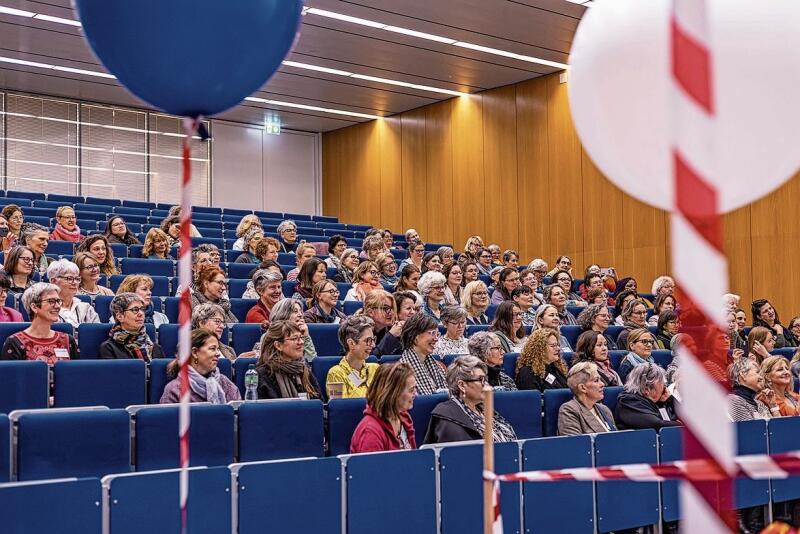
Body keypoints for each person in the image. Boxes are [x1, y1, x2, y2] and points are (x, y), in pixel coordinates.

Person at [424, 356, 517, 444]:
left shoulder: (483, 409)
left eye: (486, 379)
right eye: (481, 379)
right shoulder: (448, 415)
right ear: (462, 385)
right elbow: (460, 455)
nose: (487, 385)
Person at [0, 283, 79, 363]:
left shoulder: (68, 340)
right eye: (51, 301)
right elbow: (11, 374)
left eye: (58, 301)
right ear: (34, 307)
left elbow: (76, 373)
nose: (57, 306)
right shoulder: (15, 342)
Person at [350, 362, 417, 453]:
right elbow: (371, 467)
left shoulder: (404, 418)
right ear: (393, 393)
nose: (415, 394)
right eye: (411, 390)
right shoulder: (370, 432)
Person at [160, 329, 241, 403]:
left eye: (218, 349)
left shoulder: (224, 383)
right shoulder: (175, 390)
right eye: (212, 348)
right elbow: (167, 419)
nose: (218, 354)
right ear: (195, 352)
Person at [256, 320, 320, 399]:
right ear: (278, 345)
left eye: (301, 337)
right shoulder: (262, 375)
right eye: (294, 339)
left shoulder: (303, 369)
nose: (301, 342)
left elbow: (319, 403)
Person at [326, 316, 380, 399]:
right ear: (351, 343)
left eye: (373, 340)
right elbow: (338, 408)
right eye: (368, 340)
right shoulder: (335, 373)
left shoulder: (376, 369)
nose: (373, 345)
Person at [558, 362, 618, 436]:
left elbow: (616, 438)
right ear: (582, 388)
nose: (602, 384)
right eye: (596, 380)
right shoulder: (569, 410)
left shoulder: (605, 409)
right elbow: (574, 444)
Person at [99, 293, 164, 361]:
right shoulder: (109, 348)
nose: (141, 314)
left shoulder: (156, 347)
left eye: (142, 309)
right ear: (120, 316)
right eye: (135, 310)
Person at [615, 363, 681, 430]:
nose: (664, 387)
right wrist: (682, 425)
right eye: (662, 383)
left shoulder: (655, 400)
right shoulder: (628, 402)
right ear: (647, 389)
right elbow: (657, 424)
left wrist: (670, 399)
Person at [399, 313, 446, 395]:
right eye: (432, 333)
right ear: (414, 337)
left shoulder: (438, 367)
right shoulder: (401, 373)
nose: (436, 339)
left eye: (437, 334)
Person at [47, 259, 99, 327]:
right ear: (53, 281)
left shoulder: (86, 308)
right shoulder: (45, 308)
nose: (75, 283)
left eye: (77, 279)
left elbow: (96, 333)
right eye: (69, 278)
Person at [516, 327, 568, 392]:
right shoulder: (528, 373)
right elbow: (533, 400)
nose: (558, 348)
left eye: (557, 345)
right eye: (553, 346)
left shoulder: (556, 368)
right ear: (540, 349)